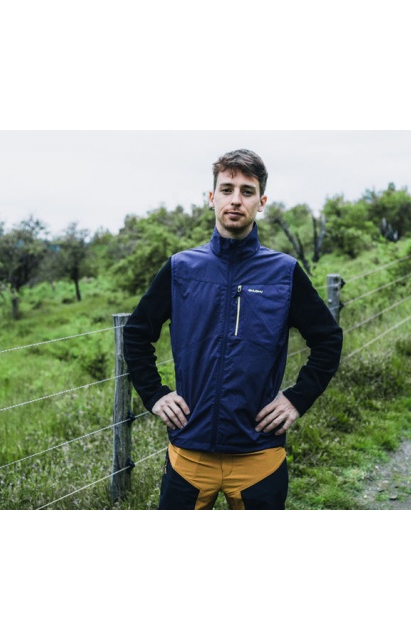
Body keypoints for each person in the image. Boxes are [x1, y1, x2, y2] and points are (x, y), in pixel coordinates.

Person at [123, 149, 343, 509]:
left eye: (247, 191)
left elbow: (328, 339)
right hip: (189, 455)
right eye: (227, 189)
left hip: (259, 454)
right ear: (212, 198)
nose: (236, 200)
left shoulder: (284, 272)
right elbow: (135, 334)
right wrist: (155, 394)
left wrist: (297, 399)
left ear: (261, 202)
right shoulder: (180, 269)